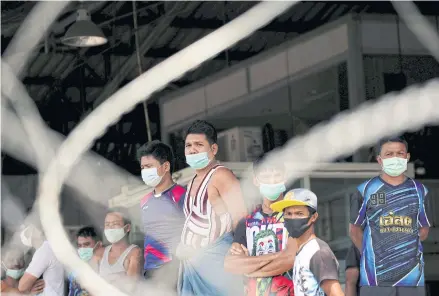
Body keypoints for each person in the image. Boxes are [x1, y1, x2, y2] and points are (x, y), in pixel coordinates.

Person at [349, 137, 431, 296]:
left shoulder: (421, 191)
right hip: (375, 281)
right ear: (379, 159)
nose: (395, 158)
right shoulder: (365, 190)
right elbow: (354, 230)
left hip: (412, 279)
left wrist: (404, 245)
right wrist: (370, 254)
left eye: (399, 153)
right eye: (389, 154)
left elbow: (424, 230)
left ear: (407, 157)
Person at [177, 120, 247, 296]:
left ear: (213, 149)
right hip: (192, 265)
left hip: (217, 263)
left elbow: (242, 216)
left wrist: (237, 249)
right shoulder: (192, 180)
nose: (192, 150)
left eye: (199, 145)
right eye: (188, 145)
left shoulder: (221, 175)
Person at [224, 153, 295, 296]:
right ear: (256, 181)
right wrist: (278, 257)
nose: (272, 181)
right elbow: (231, 264)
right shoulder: (246, 223)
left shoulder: (295, 216)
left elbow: (290, 260)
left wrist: (249, 266)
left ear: (285, 178)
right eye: (266, 177)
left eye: (277, 176)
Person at [271, 188, 344, 296]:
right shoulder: (302, 251)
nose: (293, 218)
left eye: (299, 213)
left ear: (313, 217)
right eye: (288, 213)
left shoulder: (318, 252)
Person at [137, 140, 186, 288]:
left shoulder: (182, 195)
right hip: (150, 270)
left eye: (149, 166)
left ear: (166, 166)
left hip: (173, 269)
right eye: (142, 167)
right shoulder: (144, 201)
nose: (145, 171)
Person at [97, 208, 141, 293]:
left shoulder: (135, 252)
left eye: (115, 224)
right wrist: (119, 276)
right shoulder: (101, 253)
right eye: (107, 225)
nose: (110, 228)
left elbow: (130, 286)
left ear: (127, 227)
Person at [18, 223, 65, 296]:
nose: (22, 235)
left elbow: (22, 286)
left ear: (32, 229)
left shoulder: (44, 251)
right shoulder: (51, 247)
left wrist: (29, 287)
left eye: (23, 231)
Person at [68, 226, 104, 296]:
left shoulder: (107, 269)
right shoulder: (75, 272)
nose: (82, 249)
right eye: (80, 245)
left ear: (99, 245)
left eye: (86, 244)